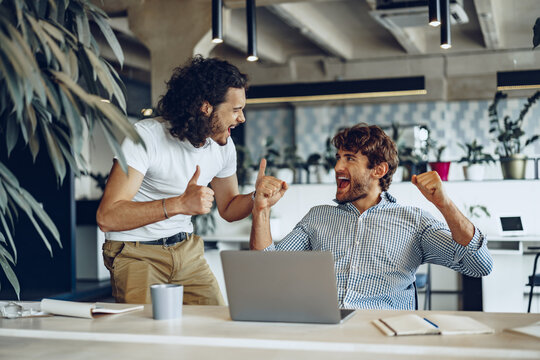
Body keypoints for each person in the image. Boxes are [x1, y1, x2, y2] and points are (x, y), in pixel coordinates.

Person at [96, 56, 286, 305]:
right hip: (135, 253)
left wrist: (255, 198)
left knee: (214, 327)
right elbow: (107, 217)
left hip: (186, 250)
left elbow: (228, 208)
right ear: (205, 107)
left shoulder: (223, 147)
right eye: (236, 109)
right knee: (146, 337)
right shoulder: (146, 137)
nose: (242, 119)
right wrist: (179, 204)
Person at [250, 123, 493, 310]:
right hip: (325, 334)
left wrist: (444, 204)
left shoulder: (414, 222)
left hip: (383, 338)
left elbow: (479, 264)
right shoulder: (317, 217)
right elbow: (266, 272)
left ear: (378, 170)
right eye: (338, 158)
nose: (337, 168)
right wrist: (261, 210)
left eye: (350, 158)